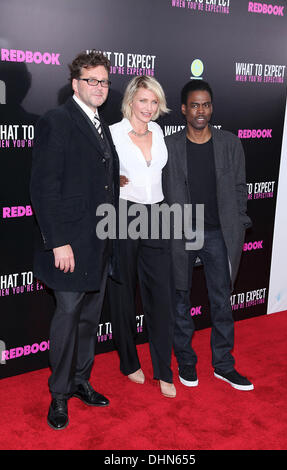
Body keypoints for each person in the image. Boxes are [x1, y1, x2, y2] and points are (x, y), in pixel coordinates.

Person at [30, 50, 120, 430]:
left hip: (100, 242)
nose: (99, 87)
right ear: (75, 84)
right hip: (69, 245)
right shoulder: (58, 120)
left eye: (104, 81)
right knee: (67, 319)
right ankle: (59, 394)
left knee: (88, 319)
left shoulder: (103, 123)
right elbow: (43, 186)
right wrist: (58, 242)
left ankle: (81, 380)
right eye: (91, 80)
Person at [163, 80, 254, 391]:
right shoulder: (170, 145)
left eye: (206, 105)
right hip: (181, 233)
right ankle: (186, 361)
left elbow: (240, 188)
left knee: (221, 302)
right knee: (179, 299)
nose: (200, 111)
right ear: (184, 109)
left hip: (218, 233)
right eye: (194, 105)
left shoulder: (230, 144)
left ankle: (223, 365)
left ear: (211, 108)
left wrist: (238, 221)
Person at [108, 76, 176, 398]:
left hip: (158, 213)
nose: (149, 108)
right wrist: (112, 181)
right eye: (143, 101)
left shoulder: (159, 132)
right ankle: (129, 361)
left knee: (160, 293)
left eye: (154, 102)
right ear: (131, 101)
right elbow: (97, 172)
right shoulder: (113, 134)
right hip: (123, 213)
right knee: (123, 291)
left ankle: (164, 369)